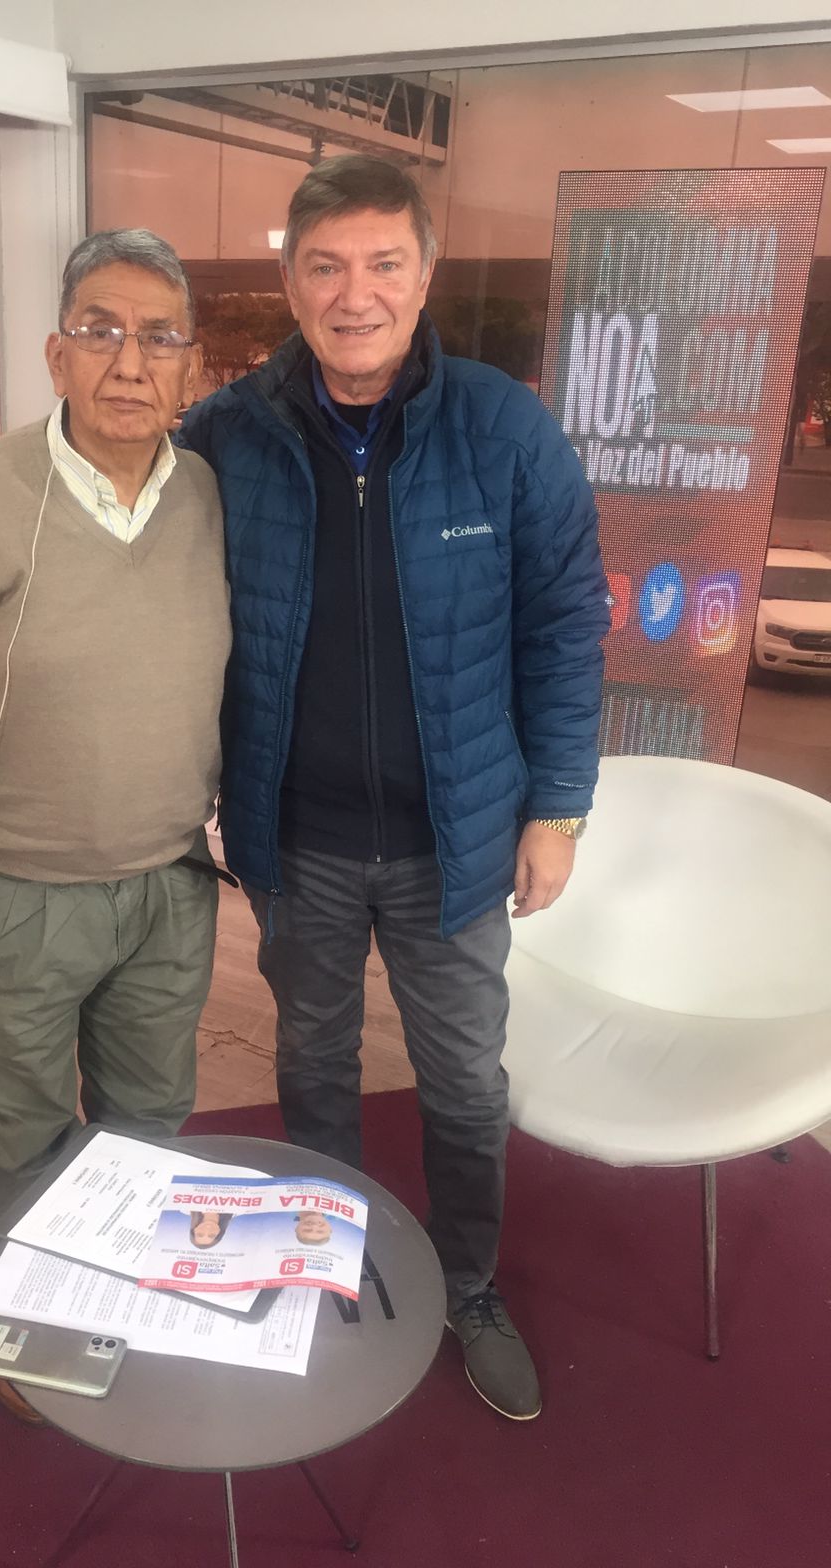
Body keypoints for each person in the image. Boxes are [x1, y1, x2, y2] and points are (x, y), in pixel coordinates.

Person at [180, 155, 609, 1424]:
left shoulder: (504, 431)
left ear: (424, 276)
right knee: (313, 1067)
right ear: (291, 284)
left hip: (455, 841)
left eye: (381, 263)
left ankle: (469, 1286)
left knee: (466, 1084)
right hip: (297, 837)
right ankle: (324, 1271)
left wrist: (557, 808)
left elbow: (567, 627)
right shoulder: (228, 437)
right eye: (325, 266)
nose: (353, 293)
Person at [0, 228, 231, 1419]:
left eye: (159, 338)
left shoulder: (208, 496)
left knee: (147, 1124)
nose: (131, 362)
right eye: (102, 331)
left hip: (168, 889)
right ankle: (24, 1336)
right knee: (19, 1135)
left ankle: (118, 1299)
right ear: (57, 354)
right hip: (11, 898)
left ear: (192, 366)